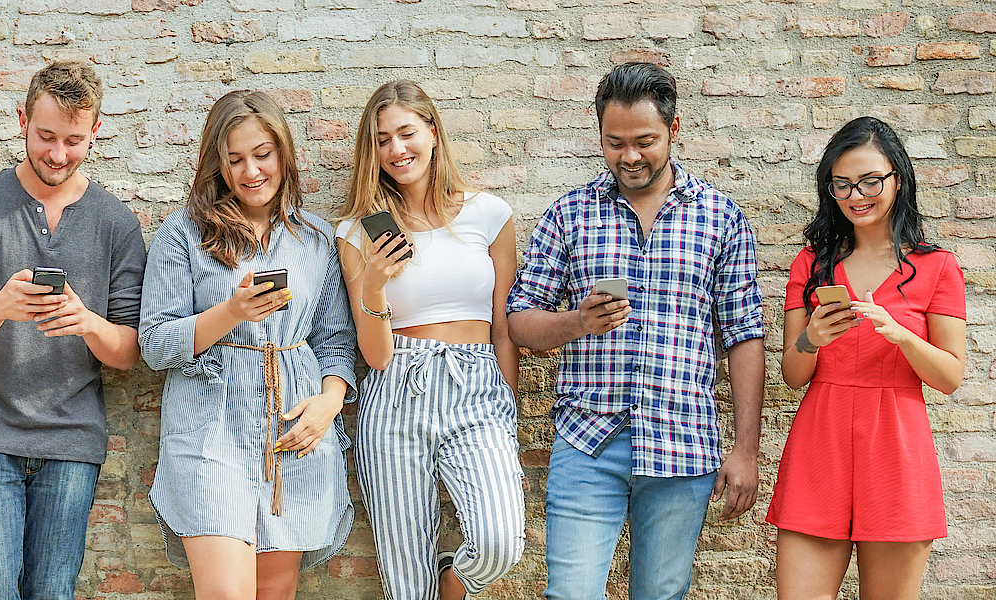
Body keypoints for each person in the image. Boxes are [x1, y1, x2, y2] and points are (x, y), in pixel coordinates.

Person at [506, 62, 765, 600]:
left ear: (674, 129)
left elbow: (744, 335)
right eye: (614, 142)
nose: (629, 156)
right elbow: (519, 321)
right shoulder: (568, 215)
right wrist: (578, 321)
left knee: (662, 594)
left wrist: (746, 448)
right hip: (588, 444)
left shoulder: (721, 217)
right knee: (570, 594)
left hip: (682, 442)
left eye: (644, 141)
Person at [0, 60, 146, 600]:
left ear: (96, 131)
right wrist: (0, 305)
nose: (57, 154)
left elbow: (127, 352)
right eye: (46, 135)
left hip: (73, 440)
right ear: (22, 119)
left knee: (53, 592)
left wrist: (87, 322)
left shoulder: (116, 223)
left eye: (74, 141)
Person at [139, 89, 358, 600]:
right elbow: (154, 342)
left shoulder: (316, 239)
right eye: (234, 159)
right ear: (216, 163)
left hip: (291, 434)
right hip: (210, 433)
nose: (251, 171)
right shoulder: (183, 234)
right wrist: (230, 312)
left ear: (283, 153)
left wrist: (328, 404)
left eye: (262, 155)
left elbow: (336, 340)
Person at [334, 80, 524, 600]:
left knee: (500, 541)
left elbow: (504, 325)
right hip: (396, 387)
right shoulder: (359, 231)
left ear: (433, 133)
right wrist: (372, 282)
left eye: (406, 133)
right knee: (404, 577)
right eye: (381, 140)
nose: (396, 149)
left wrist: (504, 400)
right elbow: (374, 354)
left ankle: (452, 580)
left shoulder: (489, 215)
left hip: (476, 384)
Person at [769, 116, 965, 600]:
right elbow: (793, 376)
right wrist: (811, 338)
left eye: (871, 180)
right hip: (822, 442)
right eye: (842, 184)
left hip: (897, 449)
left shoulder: (937, 266)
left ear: (898, 177)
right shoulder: (811, 264)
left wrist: (900, 334)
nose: (857, 194)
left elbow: (951, 376)